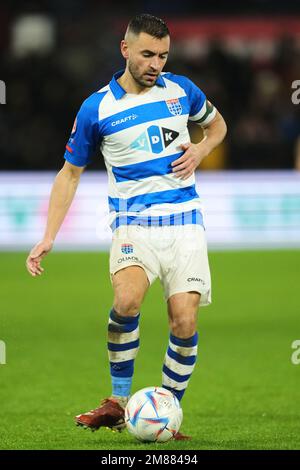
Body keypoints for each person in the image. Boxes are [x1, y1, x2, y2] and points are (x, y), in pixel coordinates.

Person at [26, 13, 227, 440]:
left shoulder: (181, 91)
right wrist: (48, 236)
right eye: (148, 54)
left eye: (163, 55)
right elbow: (69, 174)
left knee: (184, 322)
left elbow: (217, 125)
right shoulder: (96, 107)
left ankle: (167, 413)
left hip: (185, 222)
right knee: (127, 300)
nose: (156, 64)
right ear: (125, 50)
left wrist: (202, 149)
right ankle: (117, 402)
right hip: (133, 224)